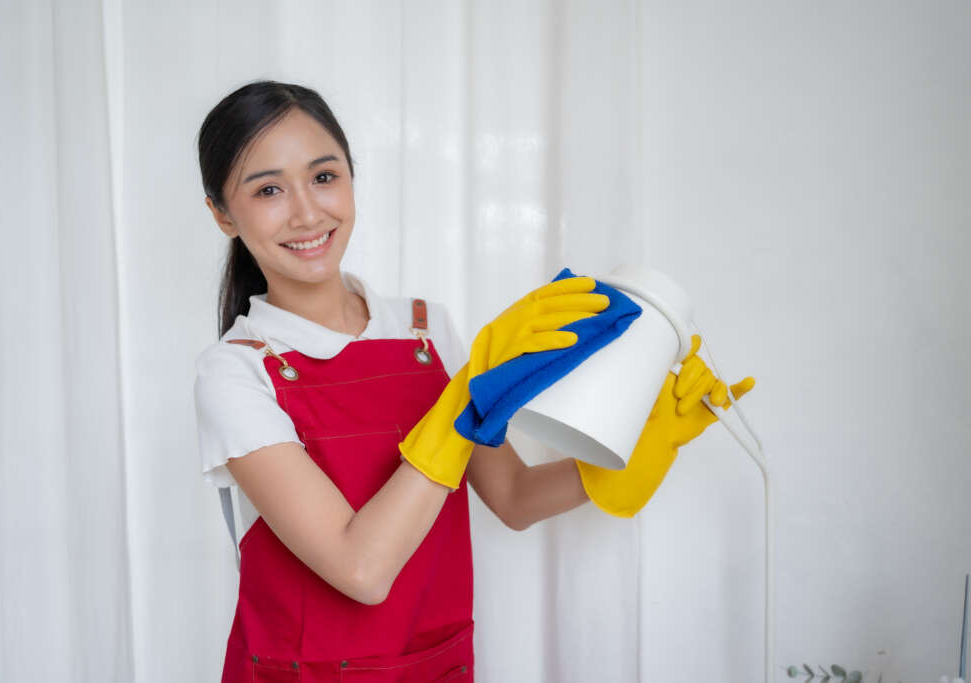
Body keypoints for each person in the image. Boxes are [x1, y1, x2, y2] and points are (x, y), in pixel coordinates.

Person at [193, 80, 754, 683]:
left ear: (352, 178)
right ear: (223, 214)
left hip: (436, 667)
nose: (307, 212)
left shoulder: (425, 328)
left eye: (324, 176)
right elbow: (361, 570)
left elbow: (511, 496)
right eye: (269, 190)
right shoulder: (237, 369)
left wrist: (641, 445)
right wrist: (462, 400)